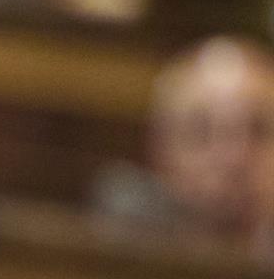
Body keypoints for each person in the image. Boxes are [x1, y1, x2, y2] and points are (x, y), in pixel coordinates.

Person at [92, 36, 274, 258]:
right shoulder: (117, 249)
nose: (233, 158)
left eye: (259, 130)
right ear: (160, 150)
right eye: (202, 132)